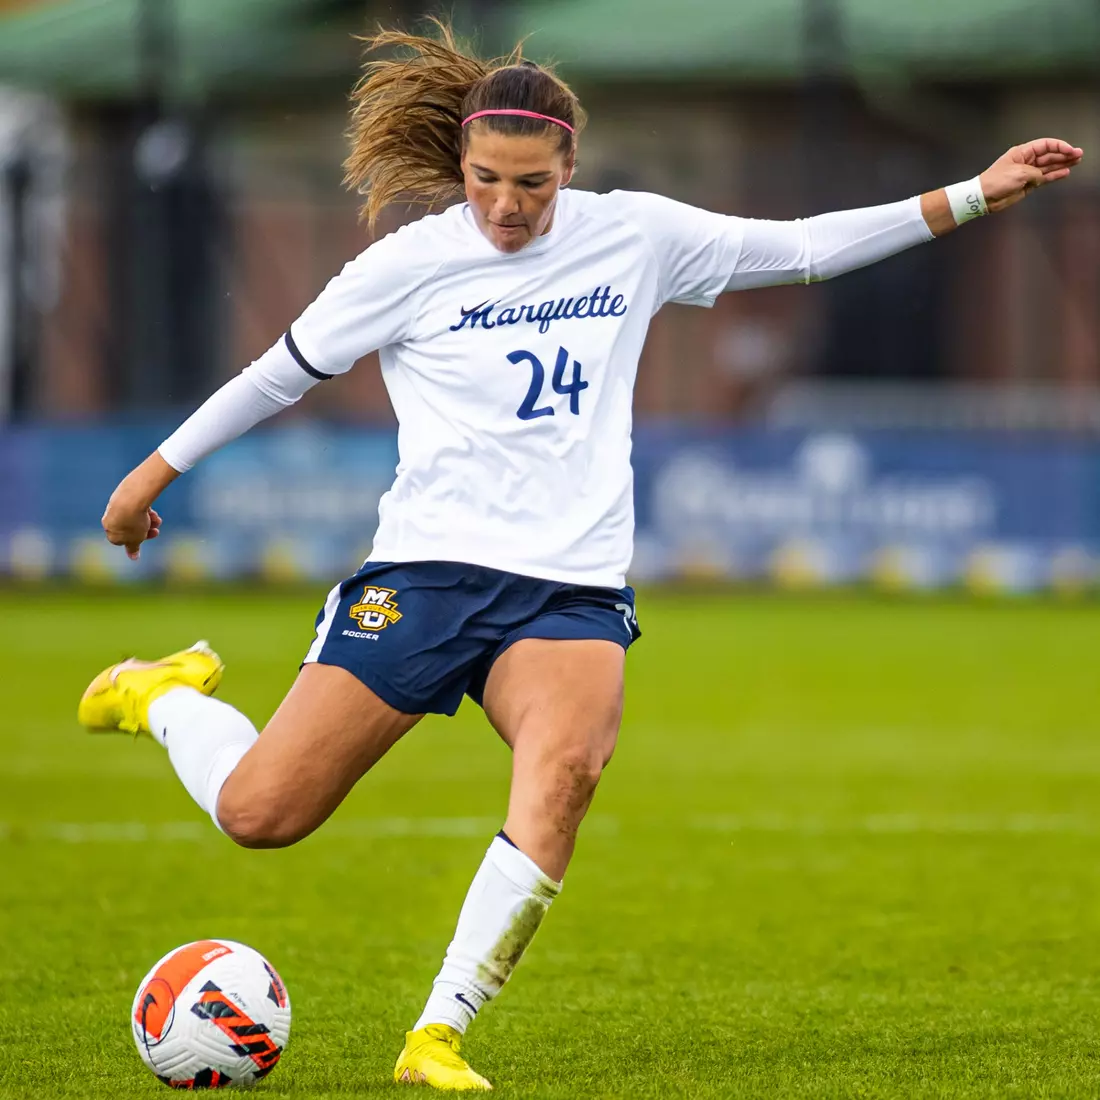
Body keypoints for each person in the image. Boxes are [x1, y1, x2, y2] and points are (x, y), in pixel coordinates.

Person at [78, 19, 1083, 1092]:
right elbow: (278, 373)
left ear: (569, 167)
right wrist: (150, 475)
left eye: (529, 184)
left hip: (570, 583)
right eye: (482, 181)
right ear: (457, 165)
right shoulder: (407, 264)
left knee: (564, 770)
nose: (505, 206)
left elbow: (798, 248)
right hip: (425, 572)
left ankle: (437, 1032)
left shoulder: (634, 236)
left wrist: (973, 193)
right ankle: (165, 695)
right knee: (261, 815)